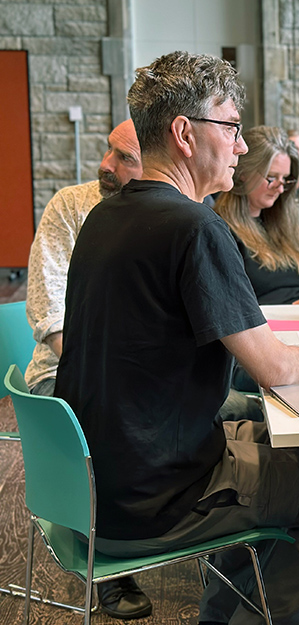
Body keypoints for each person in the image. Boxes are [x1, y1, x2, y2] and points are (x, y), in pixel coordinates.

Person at [54, 51, 299, 625]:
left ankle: (222, 614)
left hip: (99, 486)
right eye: (230, 128)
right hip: (160, 500)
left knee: (293, 445)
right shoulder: (195, 226)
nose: (239, 145)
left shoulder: (105, 217)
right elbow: (274, 369)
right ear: (185, 133)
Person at [23, 120, 160, 620]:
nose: (106, 165)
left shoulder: (176, 216)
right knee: (112, 409)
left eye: (125, 159)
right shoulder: (72, 206)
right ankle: (111, 560)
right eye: (109, 152)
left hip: (140, 375)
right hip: (65, 371)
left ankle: (183, 522)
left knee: (227, 404)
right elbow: (50, 316)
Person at [213, 125, 299, 305]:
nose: (280, 187)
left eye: (285, 179)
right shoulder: (222, 231)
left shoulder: (284, 226)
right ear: (243, 173)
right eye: (271, 177)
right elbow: (229, 310)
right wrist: (292, 309)